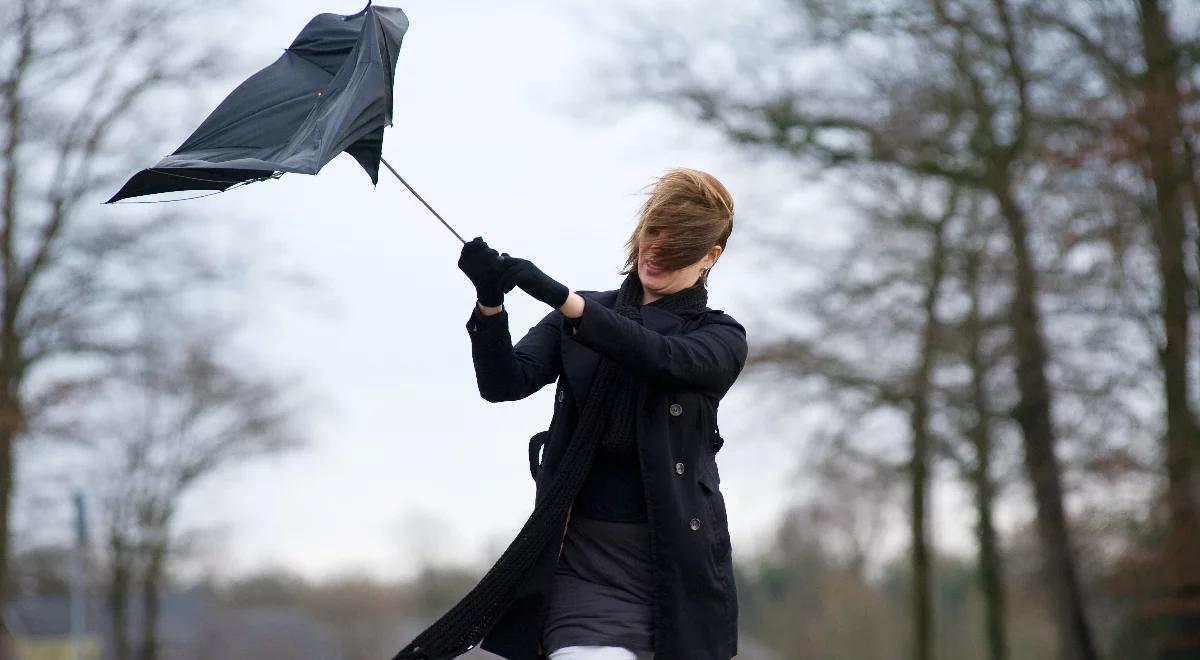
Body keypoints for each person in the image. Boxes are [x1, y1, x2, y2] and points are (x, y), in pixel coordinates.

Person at [408, 168, 746, 660]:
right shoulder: (581, 317)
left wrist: (564, 300)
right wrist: (489, 303)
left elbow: (662, 357)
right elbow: (504, 383)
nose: (655, 254)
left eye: (676, 250)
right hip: (582, 561)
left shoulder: (719, 337)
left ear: (710, 257)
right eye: (653, 235)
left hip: (677, 570)